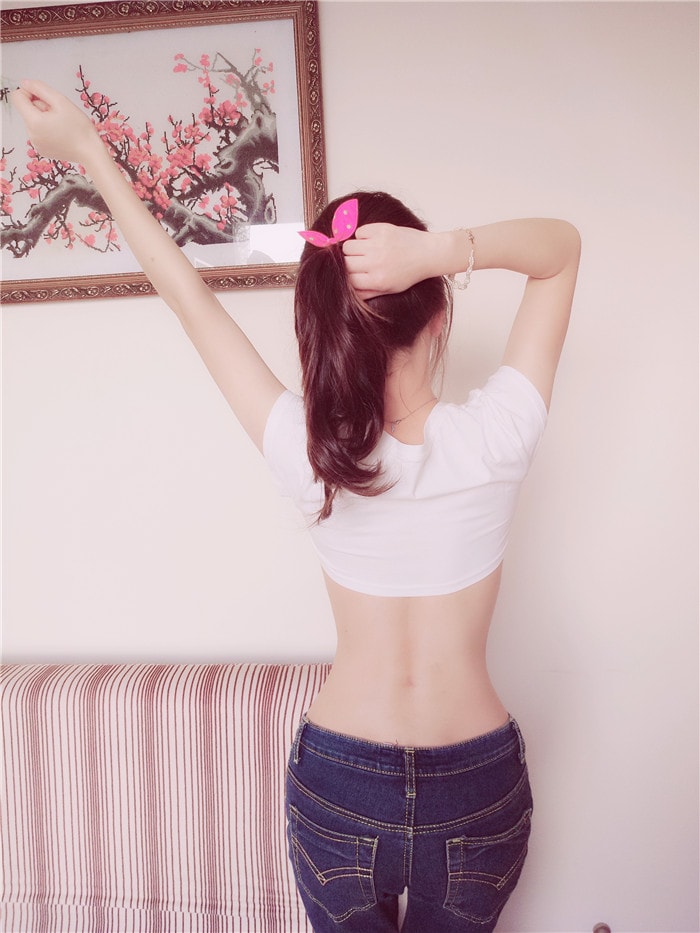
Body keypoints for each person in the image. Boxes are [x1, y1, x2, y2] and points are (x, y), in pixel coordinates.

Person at [11, 80, 580, 932]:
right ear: (438, 314)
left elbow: (185, 294)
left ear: (323, 327)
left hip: (340, 784)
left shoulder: (308, 453)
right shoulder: (498, 434)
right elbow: (561, 250)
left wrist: (89, 150)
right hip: (475, 785)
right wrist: (440, 250)